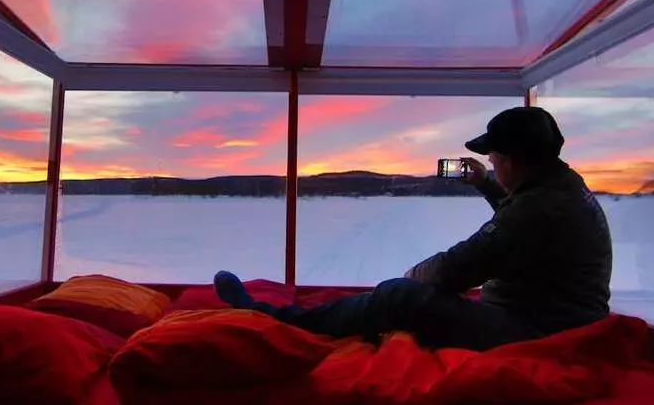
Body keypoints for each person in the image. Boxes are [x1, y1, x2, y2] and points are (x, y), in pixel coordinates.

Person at [213, 107, 613, 351]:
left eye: (493, 160)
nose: (491, 165)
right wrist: (486, 185)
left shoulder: (538, 208)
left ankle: (282, 319)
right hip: (557, 317)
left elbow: (457, 269)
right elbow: (522, 231)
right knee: (404, 295)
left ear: (511, 160)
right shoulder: (561, 186)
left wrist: (413, 278)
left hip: (535, 329)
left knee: (400, 296)